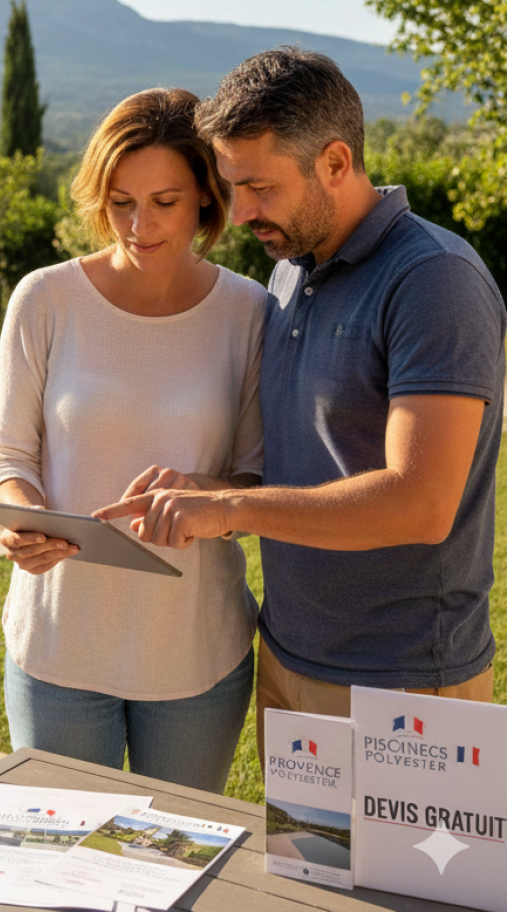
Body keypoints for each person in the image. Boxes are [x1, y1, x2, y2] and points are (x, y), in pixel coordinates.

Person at [102, 48, 504, 753]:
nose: (242, 211)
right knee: (303, 869)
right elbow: (316, 463)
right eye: (232, 185)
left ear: (337, 162)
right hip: (290, 661)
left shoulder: (433, 282)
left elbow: (422, 502)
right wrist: (211, 491)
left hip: (406, 683)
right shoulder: (293, 268)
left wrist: (229, 509)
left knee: (397, 873)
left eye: (260, 186)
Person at [0, 87, 268, 795]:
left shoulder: (250, 313)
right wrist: (21, 514)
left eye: (164, 202)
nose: (138, 226)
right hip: (59, 647)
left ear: (207, 195)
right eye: (120, 202)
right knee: (61, 880)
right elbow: (7, 458)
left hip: (196, 651)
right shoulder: (44, 300)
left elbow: (263, 479)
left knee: (177, 870)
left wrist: (209, 495)